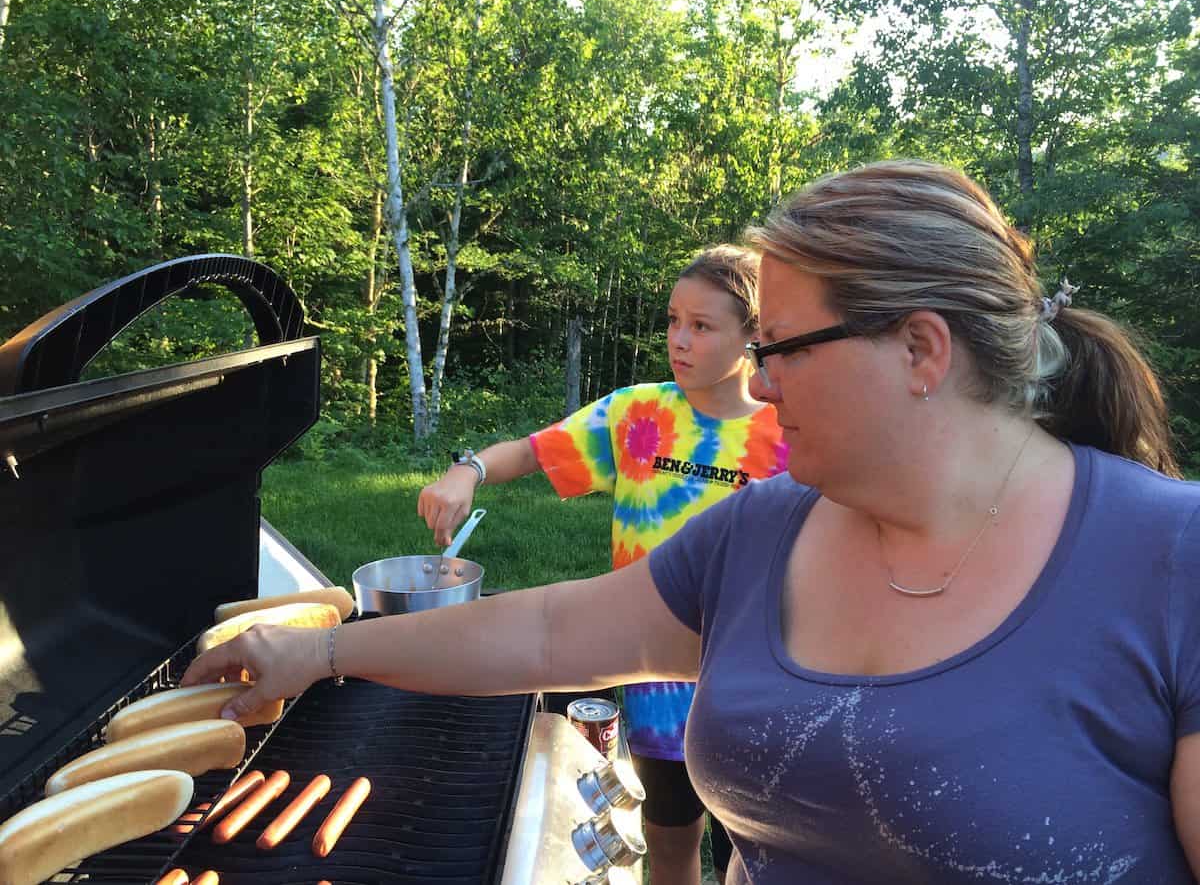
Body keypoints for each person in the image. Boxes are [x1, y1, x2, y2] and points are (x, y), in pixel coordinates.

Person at [183, 160, 1200, 883]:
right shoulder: (765, 528)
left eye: (784, 347)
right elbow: (550, 631)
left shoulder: (1173, 560)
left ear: (921, 351)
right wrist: (318, 656)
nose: (757, 378)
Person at [415, 244, 788, 885]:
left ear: (753, 334)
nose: (680, 339)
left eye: (702, 326)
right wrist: (468, 469)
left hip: (753, 677)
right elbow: (534, 451)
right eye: (673, 320)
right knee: (668, 838)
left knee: (753, 859)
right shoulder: (637, 412)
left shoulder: (790, 433)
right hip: (652, 672)